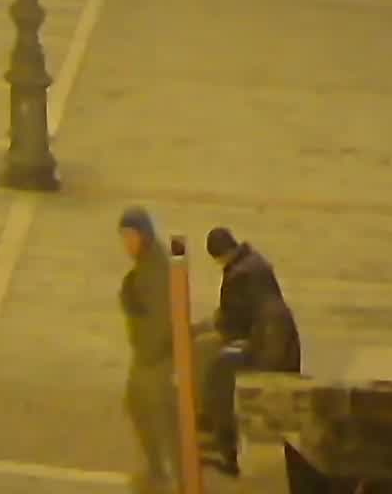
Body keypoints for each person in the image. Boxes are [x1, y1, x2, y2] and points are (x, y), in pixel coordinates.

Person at [197, 227, 303, 476]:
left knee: (219, 378)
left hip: (268, 349)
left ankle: (227, 451)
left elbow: (231, 324)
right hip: (279, 342)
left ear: (219, 256)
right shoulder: (256, 263)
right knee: (222, 371)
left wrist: (209, 327)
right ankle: (219, 435)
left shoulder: (238, 276)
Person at [114, 209, 181, 493]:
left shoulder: (154, 271)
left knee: (155, 413)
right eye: (124, 237)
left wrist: (147, 358)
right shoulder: (149, 263)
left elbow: (158, 320)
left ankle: (164, 475)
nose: (127, 244)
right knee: (144, 408)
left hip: (155, 357)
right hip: (151, 354)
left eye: (131, 236)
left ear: (144, 235)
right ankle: (160, 471)